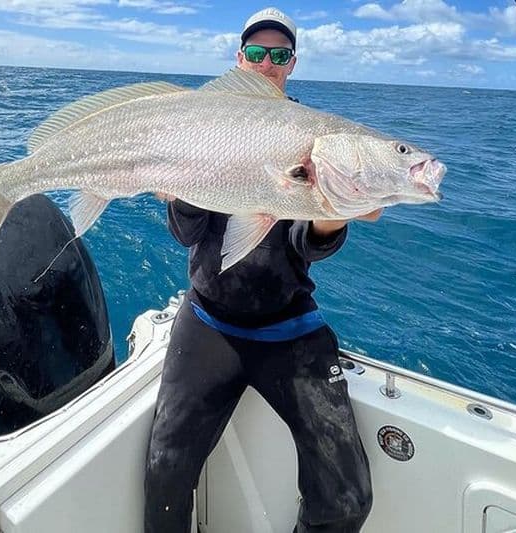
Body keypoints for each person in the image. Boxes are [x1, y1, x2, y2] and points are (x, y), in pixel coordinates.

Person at [145, 7, 378, 533]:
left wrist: (326, 218)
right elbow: (187, 234)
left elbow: (307, 245)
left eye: (279, 55)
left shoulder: (314, 139)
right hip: (208, 321)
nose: (267, 63)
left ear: (291, 65)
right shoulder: (202, 125)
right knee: (165, 475)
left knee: (347, 496)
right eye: (256, 52)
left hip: (288, 325)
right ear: (239, 58)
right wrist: (182, 190)